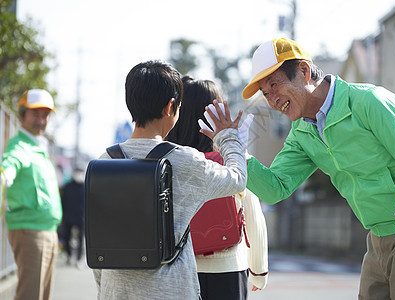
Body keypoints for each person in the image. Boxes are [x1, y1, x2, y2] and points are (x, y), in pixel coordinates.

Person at [225, 37, 395, 299]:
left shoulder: (369, 101)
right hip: (376, 239)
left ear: (304, 71)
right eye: (265, 94)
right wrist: (238, 153)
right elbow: (275, 188)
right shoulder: (301, 132)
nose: (272, 100)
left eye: (274, 85)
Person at [92, 60, 248, 300]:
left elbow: (97, 241)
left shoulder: (103, 162)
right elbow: (237, 178)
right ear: (170, 107)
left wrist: (106, 291)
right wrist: (227, 137)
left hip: (116, 291)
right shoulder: (185, 161)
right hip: (172, 292)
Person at [166, 75, 268, 299]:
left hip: (178, 268)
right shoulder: (232, 158)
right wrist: (259, 271)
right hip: (229, 268)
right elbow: (253, 215)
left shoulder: (167, 161)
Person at [1, 89, 62, 300]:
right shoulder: (19, 145)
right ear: (21, 115)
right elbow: (10, 162)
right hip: (30, 230)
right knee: (30, 295)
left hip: (46, 231)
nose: (42, 120)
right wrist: (5, 174)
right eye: (36, 113)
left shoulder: (39, 146)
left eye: (45, 115)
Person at [60, 168, 85, 267]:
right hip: (68, 216)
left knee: (80, 238)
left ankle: (79, 258)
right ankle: (69, 256)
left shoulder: (85, 187)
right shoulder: (68, 187)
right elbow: (63, 201)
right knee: (66, 236)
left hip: (81, 217)